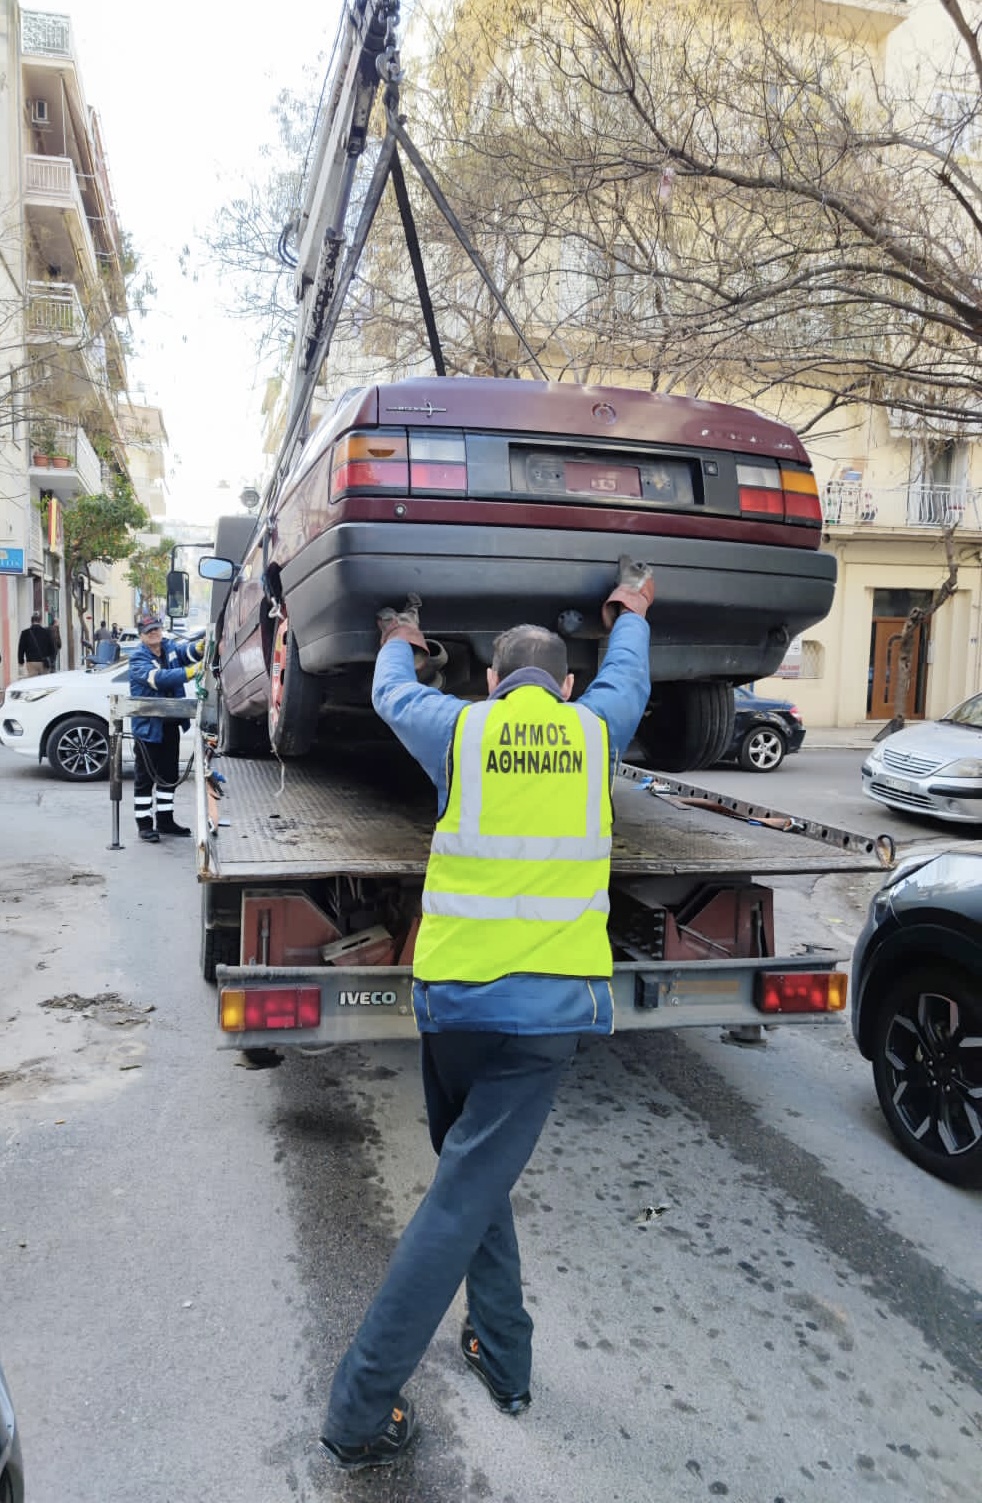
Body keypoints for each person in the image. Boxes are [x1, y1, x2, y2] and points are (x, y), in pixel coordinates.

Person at [319, 556, 655, 1471]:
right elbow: (633, 674)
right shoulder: (596, 731)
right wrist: (631, 608)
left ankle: (497, 1356)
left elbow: (393, 694)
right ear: (568, 685)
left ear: (497, 681)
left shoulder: (461, 729)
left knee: (472, 1182)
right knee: (466, 1190)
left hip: (455, 1009)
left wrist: (399, 635)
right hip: (543, 1021)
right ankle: (362, 1408)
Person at [128, 615, 205, 842]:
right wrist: (190, 672)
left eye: (157, 629)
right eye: (149, 630)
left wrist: (199, 648)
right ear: (141, 635)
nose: (155, 633)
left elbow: (185, 653)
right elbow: (157, 679)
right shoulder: (138, 659)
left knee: (168, 775)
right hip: (148, 730)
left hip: (170, 726)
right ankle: (144, 825)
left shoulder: (169, 648)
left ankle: (165, 821)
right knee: (145, 778)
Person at [17, 612, 54, 677]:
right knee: (44, 683)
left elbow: (21, 648)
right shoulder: (46, 632)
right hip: (43, 662)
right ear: (40, 621)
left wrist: (21, 661)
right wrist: (50, 659)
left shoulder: (25, 633)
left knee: (33, 682)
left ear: (31, 621)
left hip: (31, 662)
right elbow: (52, 648)